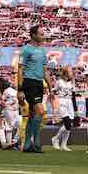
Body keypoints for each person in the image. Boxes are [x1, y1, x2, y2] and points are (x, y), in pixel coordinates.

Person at [18, 25, 53, 153]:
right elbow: (20, 69)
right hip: (29, 83)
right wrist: (20, 89)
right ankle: (37, 144)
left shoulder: (43, 51)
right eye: (41, 34)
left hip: (39, 83)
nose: (43, 37)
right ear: (33, 35)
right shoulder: (26, 50)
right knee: (40, 111)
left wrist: (50, 87)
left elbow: (45, 71)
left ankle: (27, 145)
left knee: (33, 114)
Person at [51, 66, 75, 151]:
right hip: (62, 102)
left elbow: (73, 95)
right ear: (65, 72)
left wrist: (75, 110)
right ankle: (55, 138)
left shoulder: (71, 82)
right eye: (70, 71)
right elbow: (53, 91)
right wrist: (53, 99)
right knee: (67, 123)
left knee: (69, 125)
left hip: (69, 103)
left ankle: (63, 145)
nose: (72, 72)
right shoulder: (59, 82)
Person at [0, 79, 20, 148]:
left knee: (10, 127)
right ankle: (13, 142)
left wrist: (6, 105)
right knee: (16, 126)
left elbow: (2, 102)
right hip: (13, 110)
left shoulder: (7, 91)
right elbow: (3, 102)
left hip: (11, 110)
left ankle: (11, 142)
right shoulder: (12, 91)